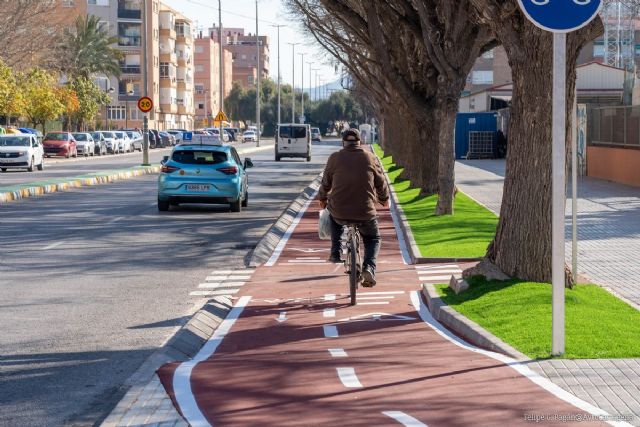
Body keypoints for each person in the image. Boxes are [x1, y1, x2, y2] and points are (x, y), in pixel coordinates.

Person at [318, 128, 389, 287]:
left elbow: (325, 183)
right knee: (373, 238)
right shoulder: (370, 157)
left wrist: (322, 199)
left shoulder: (334, 158)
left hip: (340, 211)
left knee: (333, 216)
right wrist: (384, 199)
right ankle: (369, 268)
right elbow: (381, 182)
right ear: (360, 142)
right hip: (366, 212)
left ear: (343, 142)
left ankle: (335, 252)